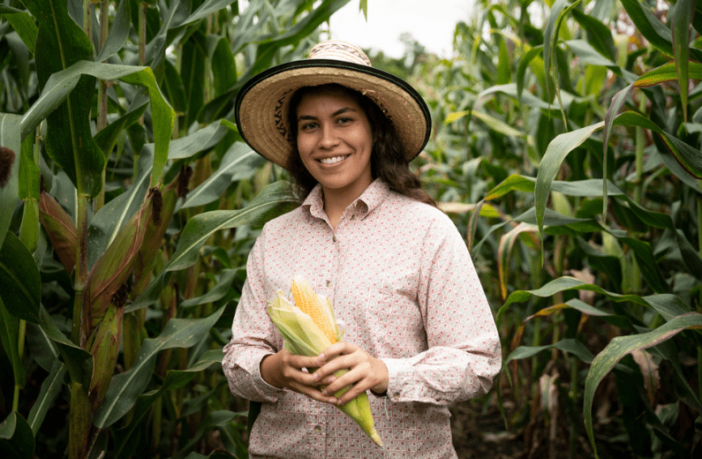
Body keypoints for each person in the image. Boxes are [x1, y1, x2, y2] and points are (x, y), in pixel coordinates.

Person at [223, 40, 501, 459]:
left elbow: (478, 362)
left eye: (344, 119)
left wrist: (386, 372)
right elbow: (238, 358)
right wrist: (273, 370)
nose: (327, 140)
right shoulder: (275, 238)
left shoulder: (427, 232)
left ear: (374, 128)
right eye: (309, 125)